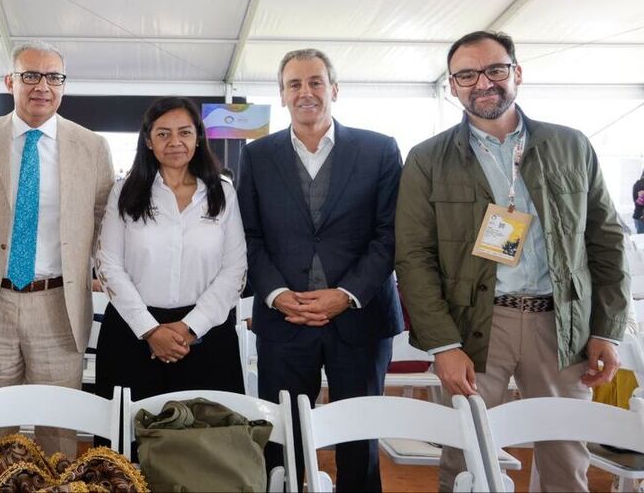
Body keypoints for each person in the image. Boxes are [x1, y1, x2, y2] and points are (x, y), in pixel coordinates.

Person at [395, 30, 628, 491]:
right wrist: (443, 345)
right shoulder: (427, 159)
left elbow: (606, 240)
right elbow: (413, 256)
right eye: (467, 74)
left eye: (495, 69)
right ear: (452, 85)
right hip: (476, 327)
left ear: (516, 73)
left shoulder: (572, 146)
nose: (483, 83)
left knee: (566, 459)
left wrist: (606, 329)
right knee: (465, 457)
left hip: (562, 326)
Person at [237, 48, 403, 491]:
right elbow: (249, 236)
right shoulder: (257, 156)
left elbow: (390, 236)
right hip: (284, 319)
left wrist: (344, 295)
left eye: (315, 82)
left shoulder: (379, 150)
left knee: (358, 437)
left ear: (334, 88)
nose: (305, 92)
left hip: (361, 318)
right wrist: (276, 294)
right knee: (282, 439)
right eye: (295, 84)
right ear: (282, 94)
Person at [0, 41, 113, 454]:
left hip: (58, 305)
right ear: (11, 81)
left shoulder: (91, 146)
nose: (43, 86)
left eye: (53, 77)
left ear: (63, 85)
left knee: (58, 432)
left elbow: (100, 215)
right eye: (31, 76)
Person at [95, 97, 246, 403]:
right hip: (132, 332)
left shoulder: (223, 193)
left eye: (185, 132)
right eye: (163, 133)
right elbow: (108, 264)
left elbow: (235, 269)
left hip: (206, 337)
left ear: (198, 137)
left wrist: (192, 327)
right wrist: (151, 331)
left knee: (208, 443)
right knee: (126, 443)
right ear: (149, 141)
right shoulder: (124, 192)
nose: (175, 142)